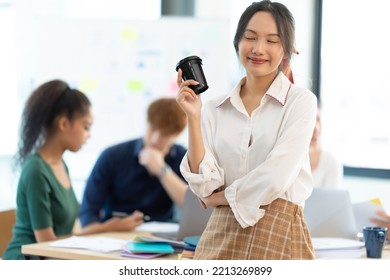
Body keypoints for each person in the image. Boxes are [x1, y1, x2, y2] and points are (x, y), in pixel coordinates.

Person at [176, 0, 317, 260]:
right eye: (250, 37)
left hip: (280, 230)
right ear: (237, 42)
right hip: (220, 232)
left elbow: (276, 177)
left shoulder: (300, 102)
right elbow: (205, 184)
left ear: (286, 49)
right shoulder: (214, 108)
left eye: (272, 41)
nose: (258, 49)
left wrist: (221, 198)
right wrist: (193, 117)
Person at [3, 80, 93, 259]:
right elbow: (46, 244)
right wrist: (101, 231)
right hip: (27, 262)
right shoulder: (36, 170)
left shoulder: (60, 165)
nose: (88, 135)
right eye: (86, 127)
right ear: (64, 124)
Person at [78, 97, 188, 234]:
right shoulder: (112, 156)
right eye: (152, 129)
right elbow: (88, 213)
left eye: (164, 135)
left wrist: (162, 170)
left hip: (161, 236)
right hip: (116, 233)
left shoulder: (182, 157)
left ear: (176, 135)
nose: (154, 139)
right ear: (147, 123)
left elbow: (191, 205)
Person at [309, 105, 343, 188]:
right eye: (310, 120)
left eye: (318, 119)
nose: (316, 128)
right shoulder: (290, 159)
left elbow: (333, 199)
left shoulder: (330, 160)